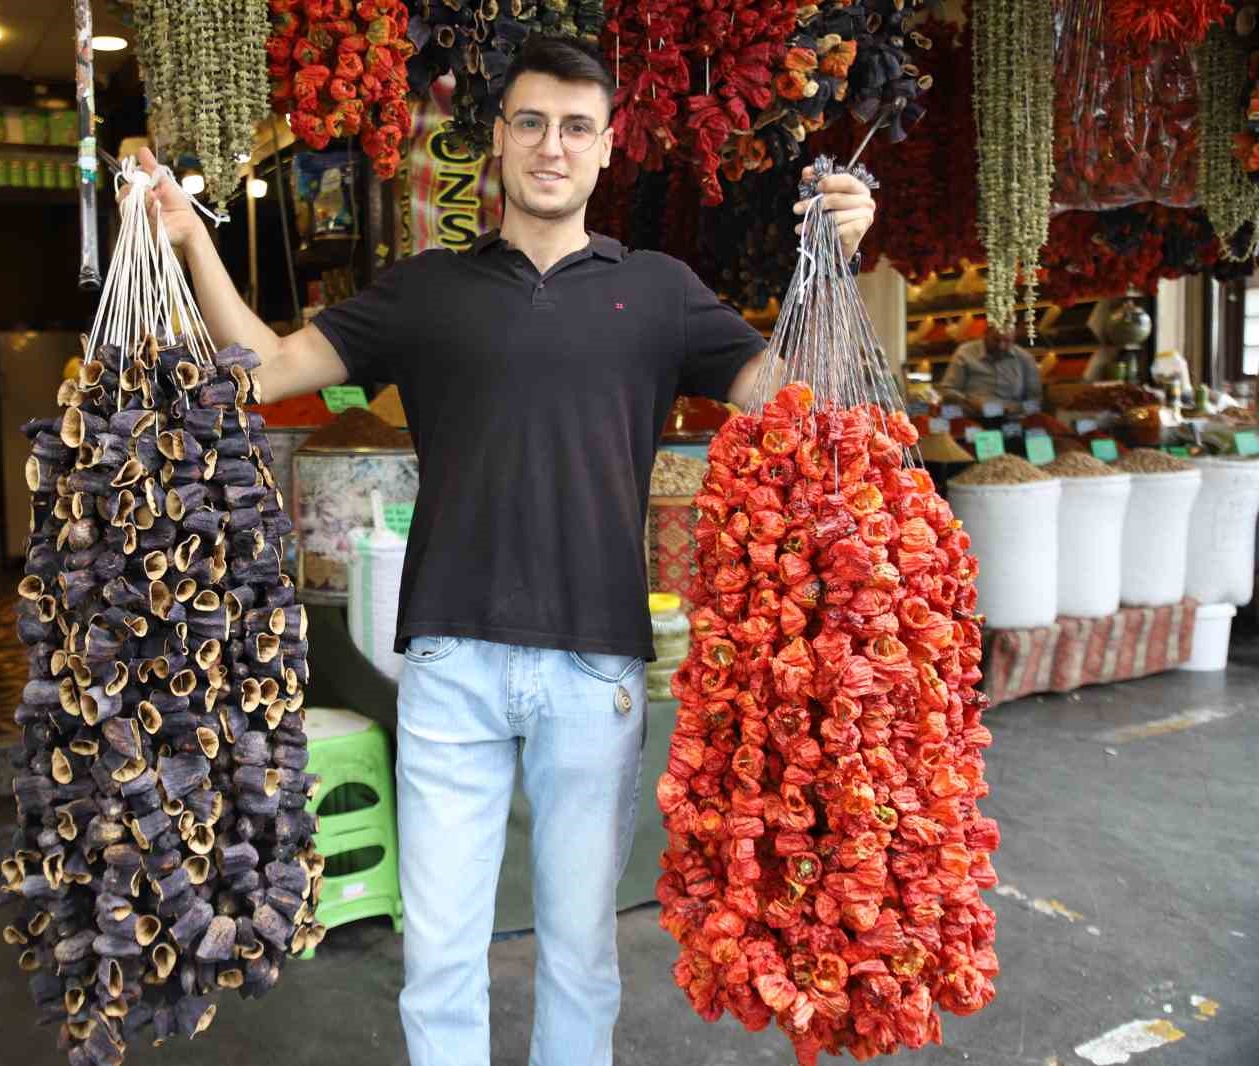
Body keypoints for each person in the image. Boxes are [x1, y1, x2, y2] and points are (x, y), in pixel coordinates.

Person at [136, 35, 876, 1066]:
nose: (550, 146)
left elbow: (796, 399)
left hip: (596, 663)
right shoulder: (426, 289)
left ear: (608, 148)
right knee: (441, 955)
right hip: (451, 662)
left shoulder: (657, 290)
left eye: (576, 127)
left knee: (580, 950)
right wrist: (185, 237)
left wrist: (833, 258)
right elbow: (262, 370)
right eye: (529, 122)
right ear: (496, 139)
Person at [940, 322, 1043, 409]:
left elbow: (1035, 399)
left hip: (1012, 419)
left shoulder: (1025, 358)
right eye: (996, 340)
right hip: (973, 416)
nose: (1001, 346)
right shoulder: (965, 352)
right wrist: (968, 402)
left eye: (1007, 341)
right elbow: (948, 389)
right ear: (985, 335)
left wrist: (1017, 409)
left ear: (1014, 338)